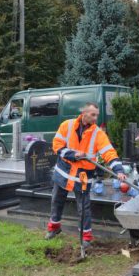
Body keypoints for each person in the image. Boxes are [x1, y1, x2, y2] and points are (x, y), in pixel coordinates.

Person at [45, 102, 127, 248]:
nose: (96, 118)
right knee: (56, 200)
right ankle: (54, 228)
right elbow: (57, 146)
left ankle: (86, 237)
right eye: (93, 114)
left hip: (82, 176)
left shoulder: (98, 133)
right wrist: (74, 154)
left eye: (97, 115)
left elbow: (109, 152)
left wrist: (119, 170)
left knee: (84, 206)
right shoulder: (67, 125)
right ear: (84, 113)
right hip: (63, 171)